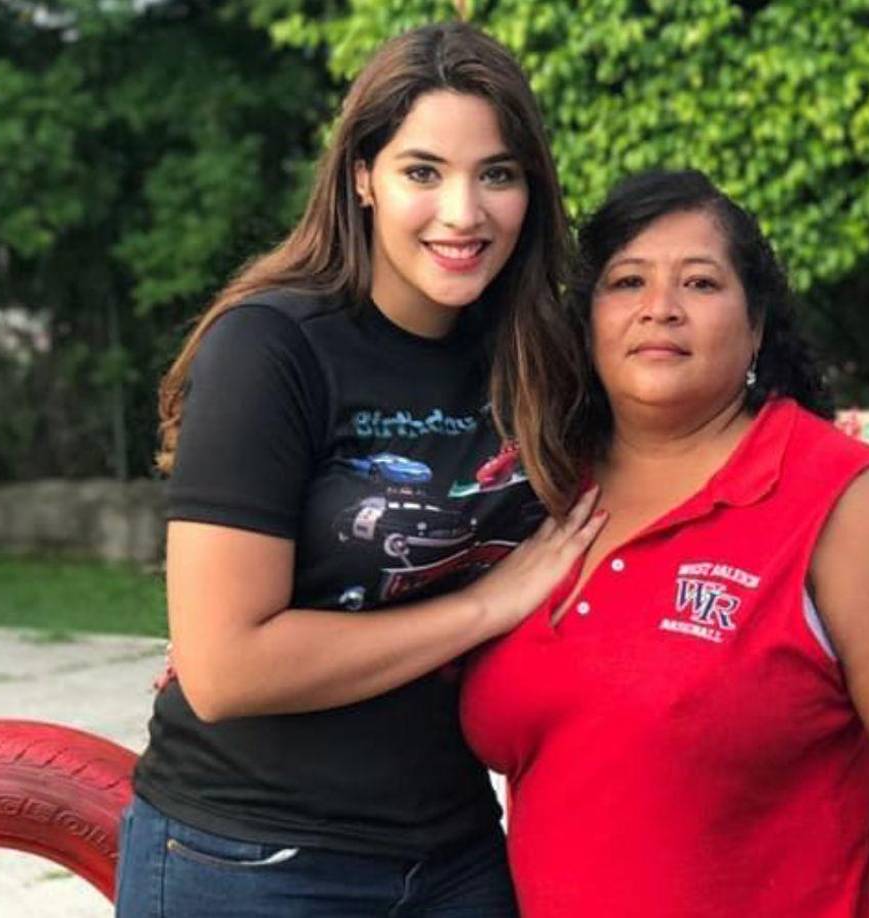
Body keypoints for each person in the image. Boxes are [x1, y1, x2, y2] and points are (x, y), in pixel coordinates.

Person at [115, 22, 607, 917]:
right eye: (424, 171)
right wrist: (488, 605)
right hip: (251, 858)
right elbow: (224, 667)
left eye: (496, 174)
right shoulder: (272, 349)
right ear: (362, 178)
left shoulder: (537, 355)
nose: (464, 213)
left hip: (456, 851)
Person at [461, 170, 869, 917]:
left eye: (700, 285)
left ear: (757, 324)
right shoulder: (536, 491)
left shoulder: (847, 499)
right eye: (626, 281)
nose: (659, 310)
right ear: (586, 320)